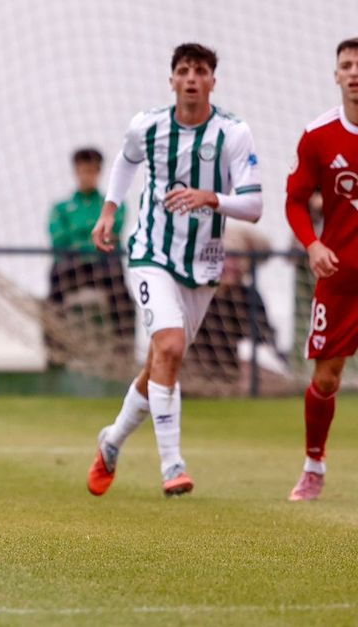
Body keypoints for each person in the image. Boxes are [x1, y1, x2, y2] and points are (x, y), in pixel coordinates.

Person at [87, 43, 262, 499]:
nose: (190, 78)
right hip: (149, 255)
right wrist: (109, 211)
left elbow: (255, 205)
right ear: (171, 80)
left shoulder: (233, 133)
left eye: (199, 71)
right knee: (168, 345)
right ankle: (172, 464)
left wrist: (213, 198)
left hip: (202, 264)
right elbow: (125, 162)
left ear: (211, 82)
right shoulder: (147, 127)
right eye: (183, 70)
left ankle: (112, 441)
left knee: (162, 362)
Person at [285, 36, 358, 501]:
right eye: (347, 65)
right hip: (341, 278)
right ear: (336, 75)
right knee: (327, 379)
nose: (355, 72)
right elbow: (294, 200)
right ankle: (314, 465)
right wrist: (311, 245)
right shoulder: (318, 135)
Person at [46, 148, 133, 357]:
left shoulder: (113, 206)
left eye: (92, 171)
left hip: (103, 266)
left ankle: (123, 349)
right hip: (72, 266)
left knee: (122, 295)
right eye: (83, 171)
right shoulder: (61, 208)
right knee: (54, 287)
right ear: (76, 172)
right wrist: (90, 239)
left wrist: (80, 238)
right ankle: (54, 348)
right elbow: (59, 239)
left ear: (99, 173)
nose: (87, 176)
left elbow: (111, 234)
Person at [188, 225, 285, 392]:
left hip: (237, 375)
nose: (229, 264)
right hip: (198, 372)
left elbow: (259, 343)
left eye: (234, 258)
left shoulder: (249, 297)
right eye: (224, 257)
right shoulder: (197, 296)